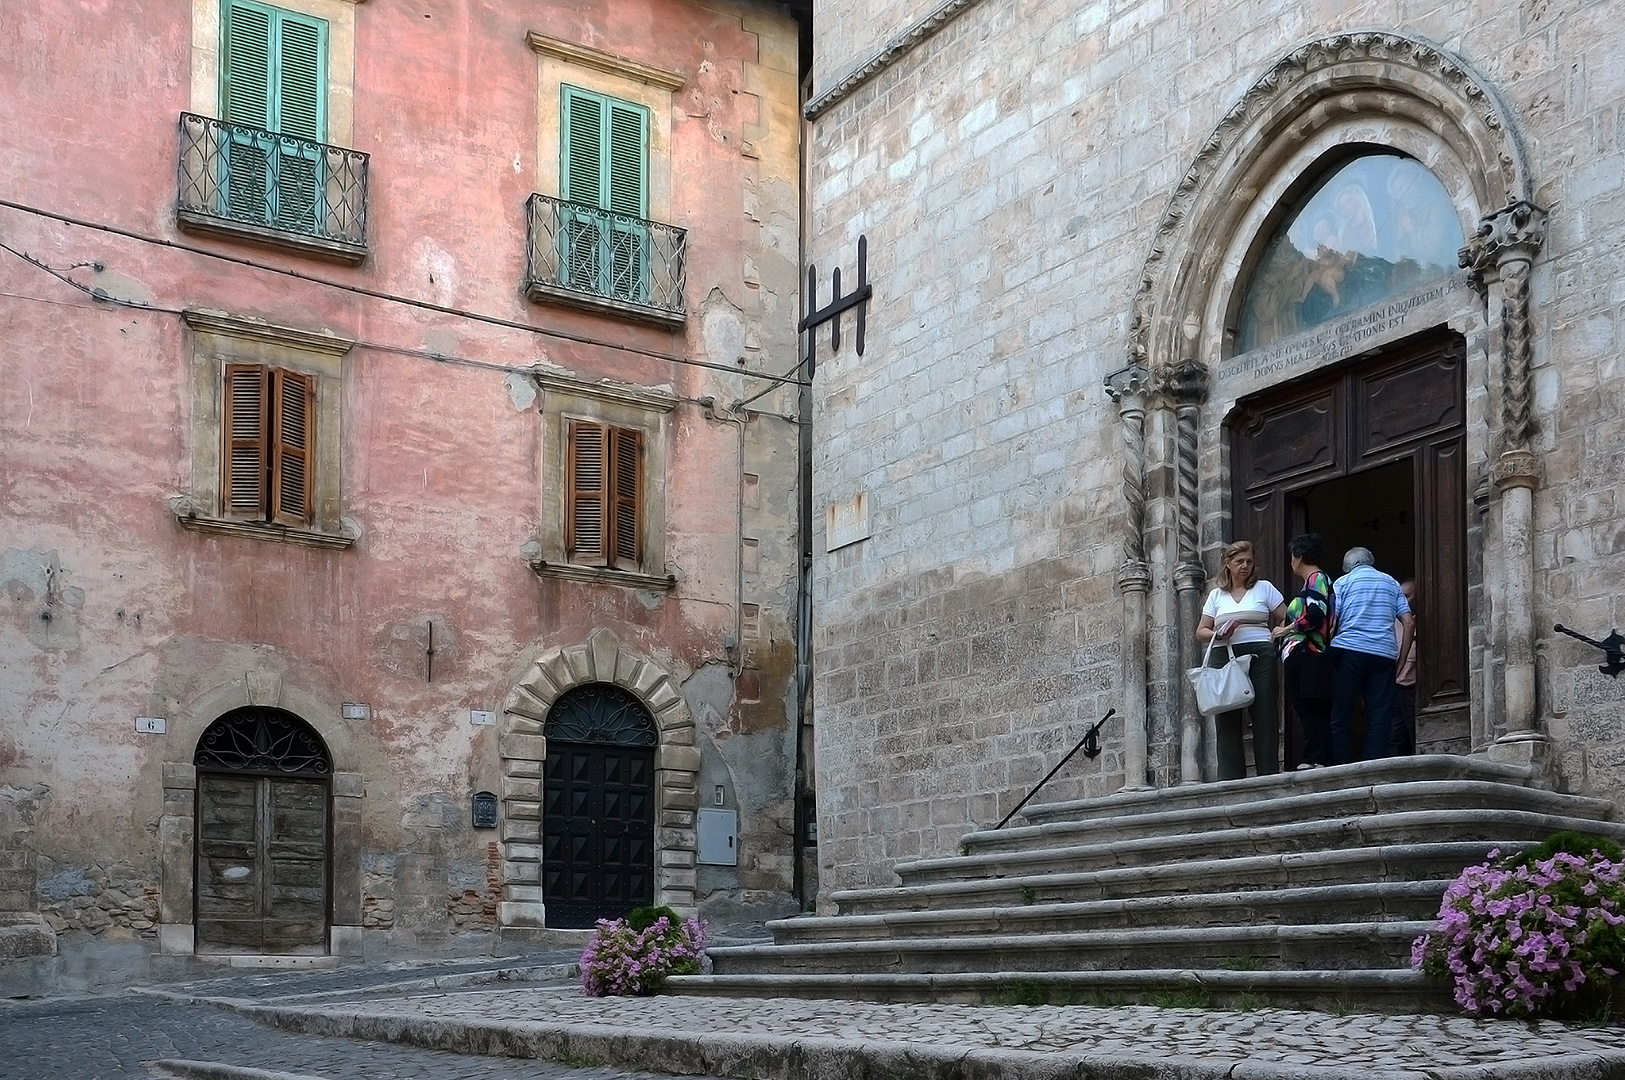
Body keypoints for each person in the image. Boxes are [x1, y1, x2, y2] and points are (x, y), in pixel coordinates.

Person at [1197, 541, 1286, 779]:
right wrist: (1218, 633)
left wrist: (1280, 631)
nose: (1245, 566)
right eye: (1239, 562)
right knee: (1225, 714)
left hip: (1260, 654)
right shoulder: (1217, 595)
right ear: (1228, 564)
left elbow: (1287, 617)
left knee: (1265, 714)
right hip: (1225, 654)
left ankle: (1267, 775)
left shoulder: (1265, 588)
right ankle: (1231, 779)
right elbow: (1201, 631)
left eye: (1249, 561)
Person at [1329, 547, 1413, 764]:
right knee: (1380, 715)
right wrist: (1401, 660)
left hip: (1349, 651)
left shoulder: (1342, 583)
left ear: (1347, 567)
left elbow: (1331, 623)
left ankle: (1340, 765)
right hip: (1383, 655)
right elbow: (1408, 621)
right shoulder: (1391, 583)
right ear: (1371, 562)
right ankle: (1373, 765)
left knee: (1341, 712)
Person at [1272, 533, 1336, 769]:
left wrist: (1285, 629)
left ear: (1298, 557)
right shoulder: (1313, 582)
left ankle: (1316, 758)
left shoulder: (1317, 578)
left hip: (1309, 653)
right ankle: (1315, 757)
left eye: (1292, 556)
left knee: (1312, 707)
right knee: (1308, 707)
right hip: (1304, 654)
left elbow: (1316, 615)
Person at [1391, 578, 1418, 755]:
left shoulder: (1426, 622)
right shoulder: (1392, 623)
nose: (1402, 601)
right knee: (1393, 737)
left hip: (1415, 688)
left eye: (1407, 596)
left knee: (1415, 733)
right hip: (1394, 687)